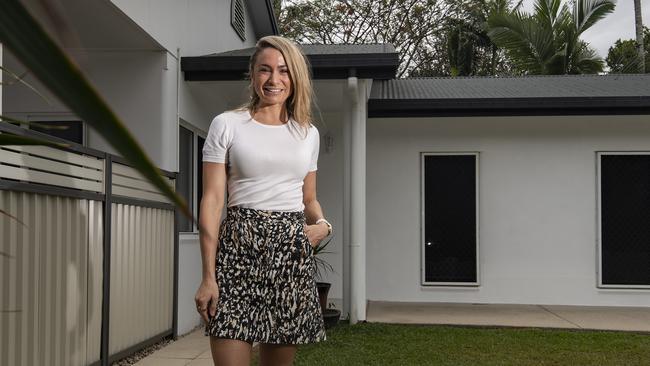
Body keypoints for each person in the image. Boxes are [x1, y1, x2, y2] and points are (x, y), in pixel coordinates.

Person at [194, 35, 331, 366]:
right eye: (265, 70)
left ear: (294, 77)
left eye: (284, 71)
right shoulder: (226, 124)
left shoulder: (307, 134)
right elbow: (212, 201)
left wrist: (323, 225)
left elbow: (308, 199)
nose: (274, 80)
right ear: (252, 74)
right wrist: (208, 276)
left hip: (289, 254)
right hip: (238, 249)